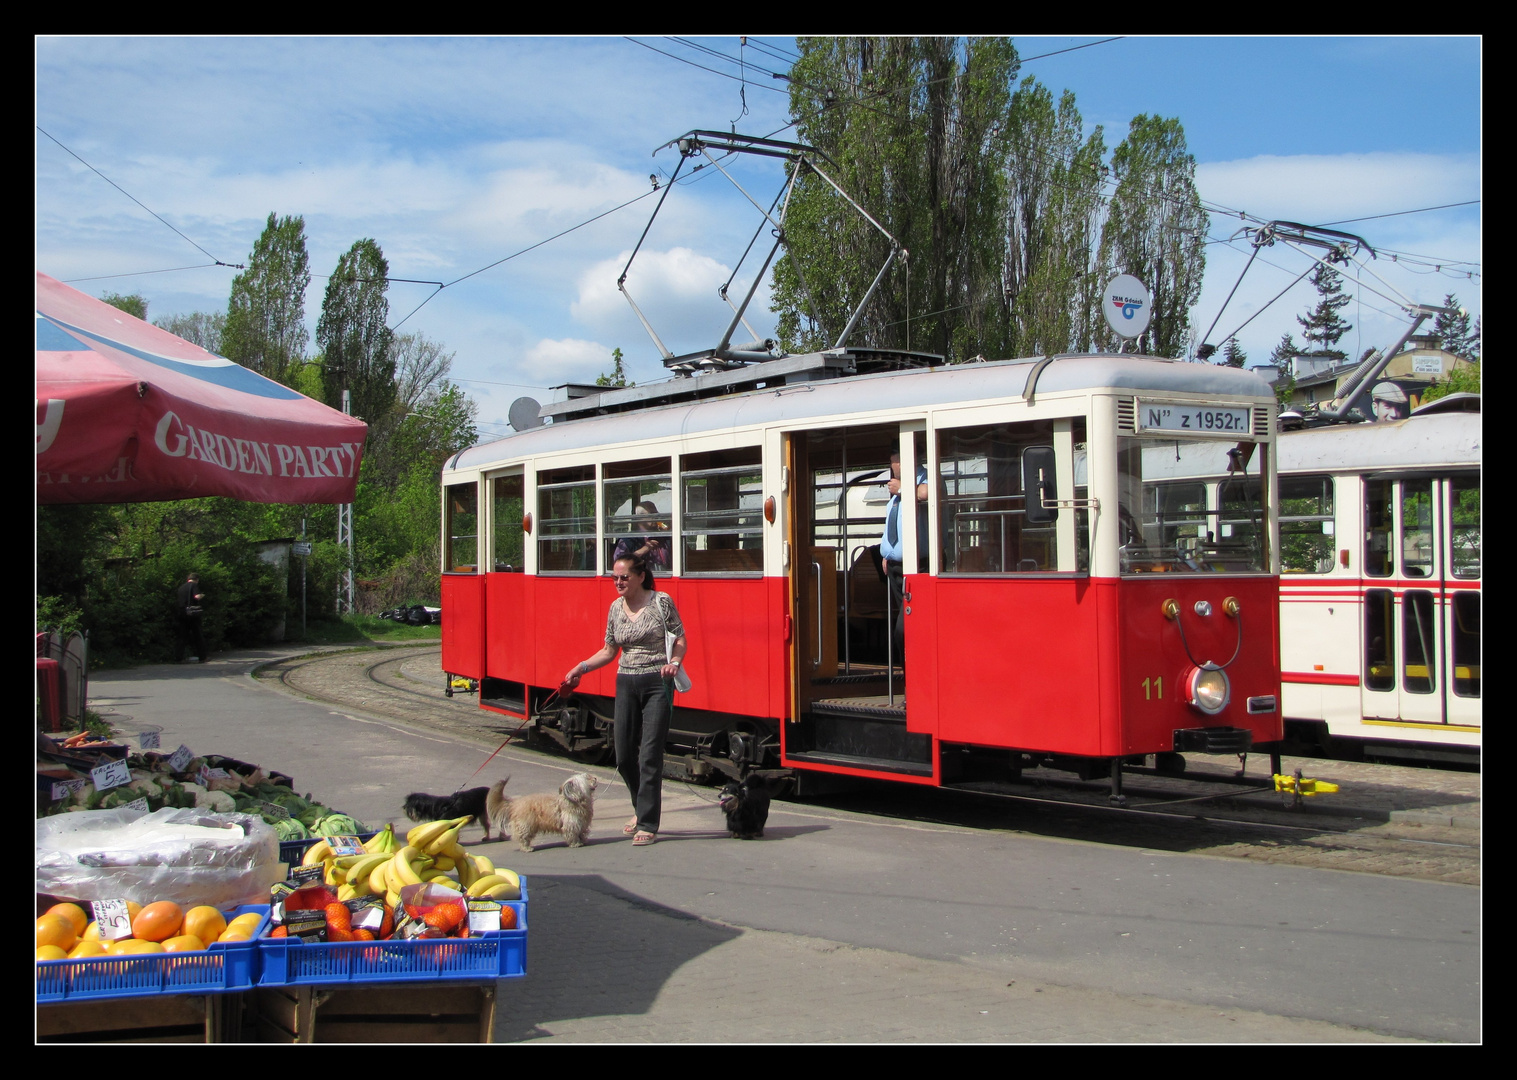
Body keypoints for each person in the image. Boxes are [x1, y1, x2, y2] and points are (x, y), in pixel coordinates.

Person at [563, 553, 687, 847]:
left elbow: (680, 638)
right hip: (626, 681)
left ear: (640, 577)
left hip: (658, 681)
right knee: (623, 755)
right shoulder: (615, 608)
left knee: (650, 754)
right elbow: (609, 651)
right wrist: (579, 669)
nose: (618, 583)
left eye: (624, 578)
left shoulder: (661, 601)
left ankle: (647, 822)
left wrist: (676, 662)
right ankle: (640, 806)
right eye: (615, 578)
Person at [878, 452, 928, 667]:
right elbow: (893, 521)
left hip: (918, 566)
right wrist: (886, 554)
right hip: (895, 568)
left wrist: (903, 489)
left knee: (905, 629)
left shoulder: (923, 478)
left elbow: (926, 493)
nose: (893, 466)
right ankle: (908, 678)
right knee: (904, 624)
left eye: (895, 461)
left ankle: (912, 679)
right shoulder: (896, 489)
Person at [611, 501, 672, 569]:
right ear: (640, 518)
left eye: (656, 513)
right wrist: (643, 550)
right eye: (651, 514)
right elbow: (618, 563)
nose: (655, 517)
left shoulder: (663, 538)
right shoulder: (628, 540)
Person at [174, 572, 207, 663]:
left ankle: (178, 657)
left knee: (182, 636)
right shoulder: (194, 585)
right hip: (192, 614)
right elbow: (196, 597)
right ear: (196, 579)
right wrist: (202, 595)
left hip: (182, 613)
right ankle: (202, 657)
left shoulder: (181, 588)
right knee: (198, 635)